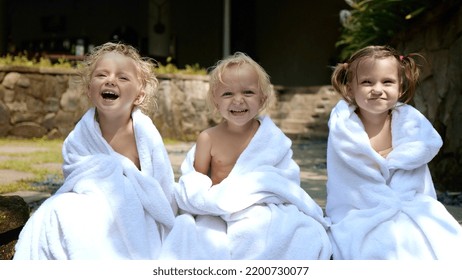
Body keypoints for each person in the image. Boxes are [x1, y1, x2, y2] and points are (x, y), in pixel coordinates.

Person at [161, 52, 332, 260]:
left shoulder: (271, 139)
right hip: (219, 210)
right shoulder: (208, 138)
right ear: (215, 100)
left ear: (262, 98)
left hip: (260, 208)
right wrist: (207, 200)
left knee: (300, 233)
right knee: (202, 239)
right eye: (227, 94)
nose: (238, 100)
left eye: (248, 92)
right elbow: (194, 183)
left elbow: (284, 181)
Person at [14, 42, 176, 259]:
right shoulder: (81, 134)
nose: (111, 80)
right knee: (57, 209)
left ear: (139, 95)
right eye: (102, 75)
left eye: (123, 77)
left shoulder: (144, 132)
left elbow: (161, 186)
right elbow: (76, 177)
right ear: (89, 89)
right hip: (93, 204)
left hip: (133, 212)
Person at [326, 45, 462, 259]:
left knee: (429, 236)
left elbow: (416, 171)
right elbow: (347, 182)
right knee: (371, 243)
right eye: (366, 82)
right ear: (350, 89)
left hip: (409, 203)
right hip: (359, 208)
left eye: (387, 82)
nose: (377, 89)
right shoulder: (344, 129)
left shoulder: (412, 124)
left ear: (400, 88)